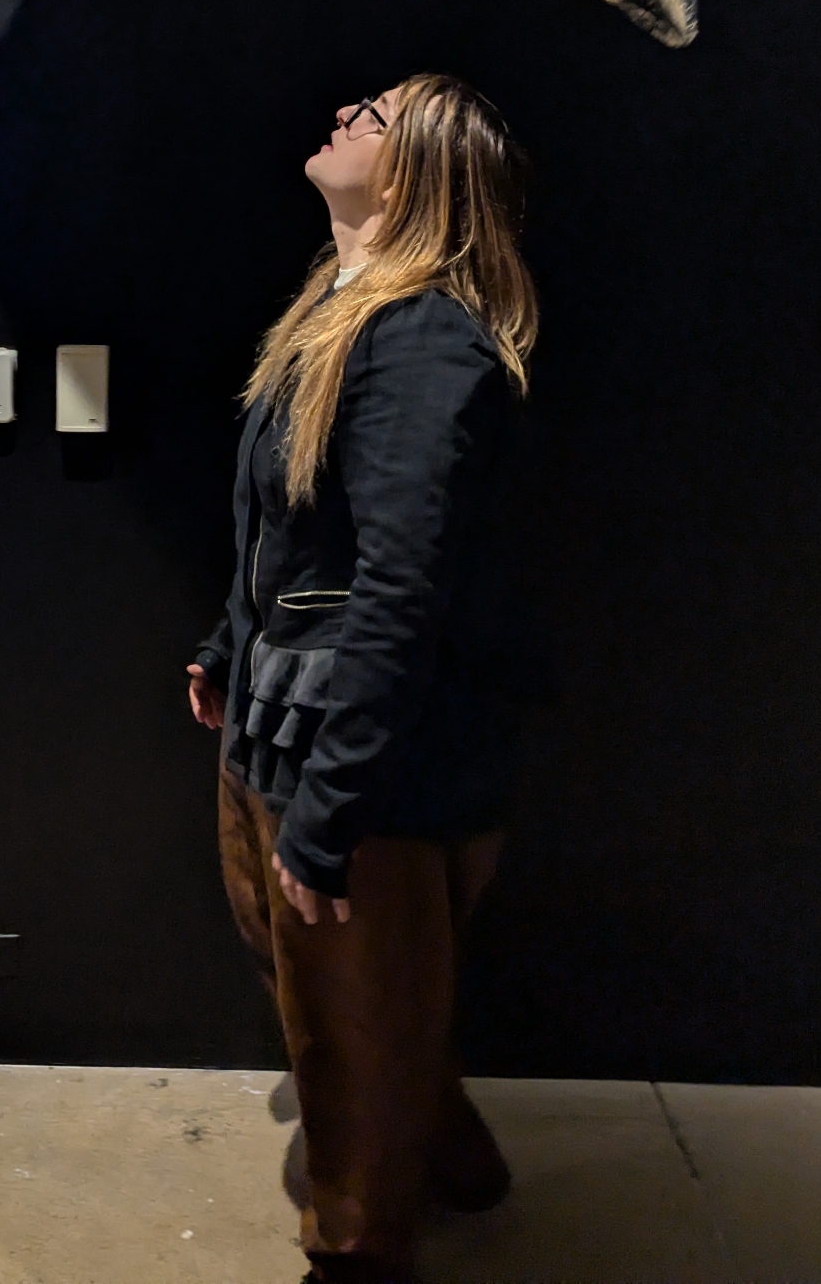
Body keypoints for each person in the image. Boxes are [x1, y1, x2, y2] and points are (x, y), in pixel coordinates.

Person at [187, 72, 543, 1284]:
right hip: (284, 721)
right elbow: (293, 531)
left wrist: (334, 801)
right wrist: (226, 645)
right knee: (340, 993)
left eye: (376, 116)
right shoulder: (338, 310)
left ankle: (357, 1251)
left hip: (366, 756)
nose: (345, 112)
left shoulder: (422, 337)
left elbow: (402, 584)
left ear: (413, 176)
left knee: (347, 1031)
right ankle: (454, 1158)